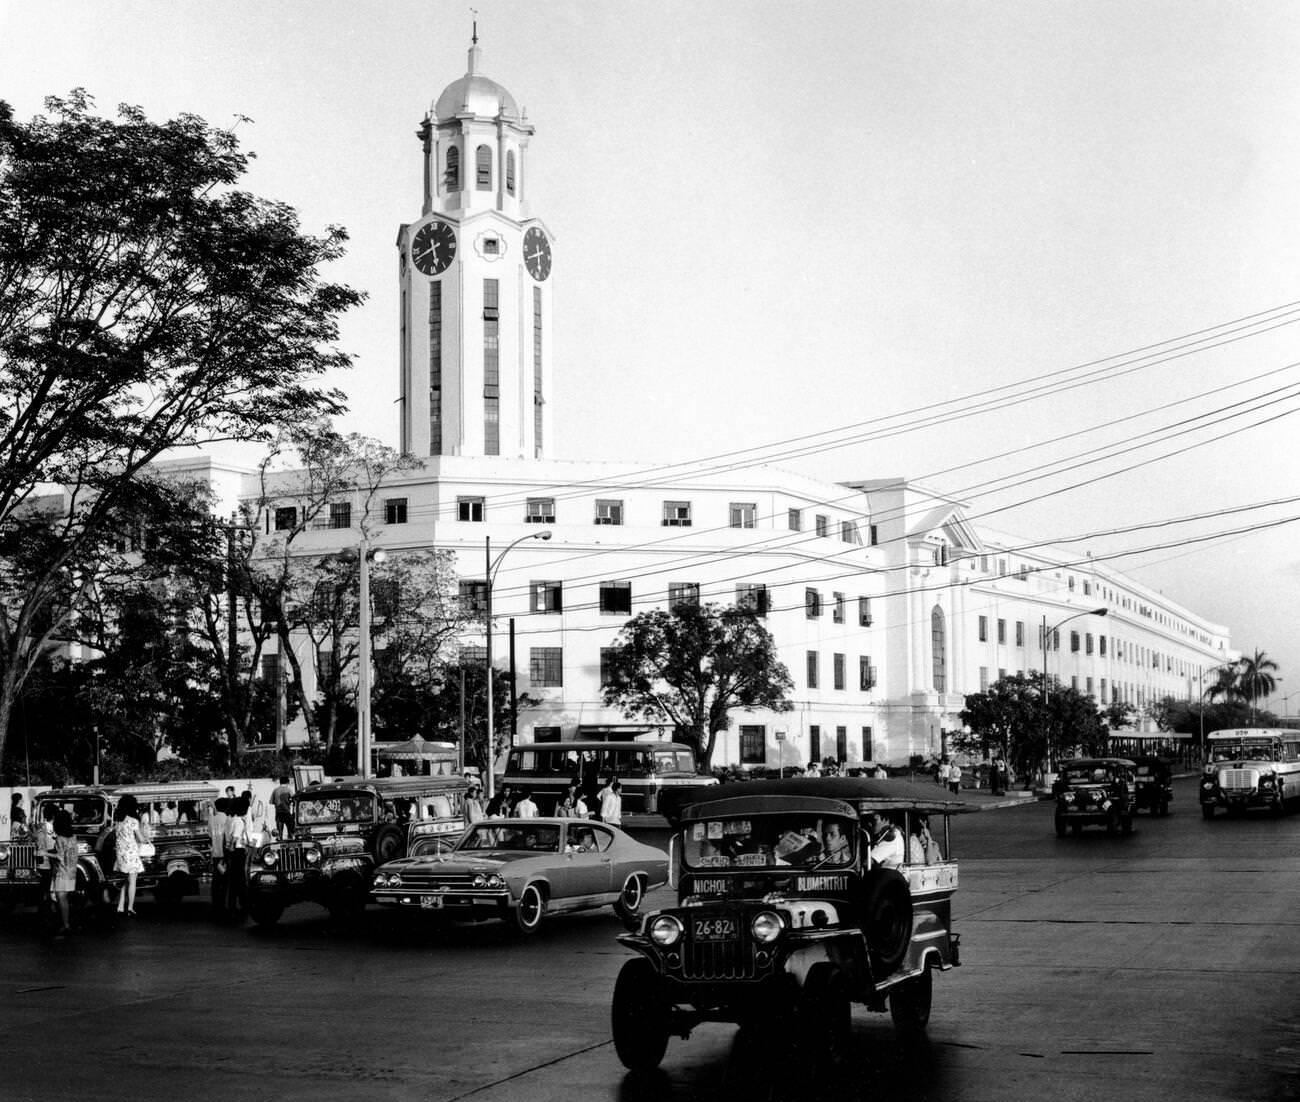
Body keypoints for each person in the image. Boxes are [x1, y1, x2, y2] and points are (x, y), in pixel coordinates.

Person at [113, 794, 149, 916]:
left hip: (120, 854)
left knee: (124, 880)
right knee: (132, 881)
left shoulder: (117, 821)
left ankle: (120, 905)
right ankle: (130, 907)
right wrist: (146, 838)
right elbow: (141, 838)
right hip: (131, 854)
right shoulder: (133, 821)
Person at [50, 809, 78, 938]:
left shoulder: (60, 838)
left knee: (61, 899)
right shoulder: (73, 837)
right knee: (64, 899)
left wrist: (45, 853)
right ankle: (66, 923)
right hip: (72, 871)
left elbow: (60, 856)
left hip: (62, 871)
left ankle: (65, 925)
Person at [223, 795, 250, 918]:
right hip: (238, 851)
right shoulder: (239, 821)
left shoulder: (231, 819)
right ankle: (243, 903)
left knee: (233, 879)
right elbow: (236, 836)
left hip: (232, 851)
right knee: (240, 879)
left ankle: (232, 904)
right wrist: (232, 846)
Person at [210, 797, 229, 918]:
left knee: (216, 880)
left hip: (215, 853)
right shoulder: (226, 819)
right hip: (224, 853)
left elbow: (209, 834)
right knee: (225, 880)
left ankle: (216, 903)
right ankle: (223, 903)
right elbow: (227, 837)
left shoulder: (212, 819)